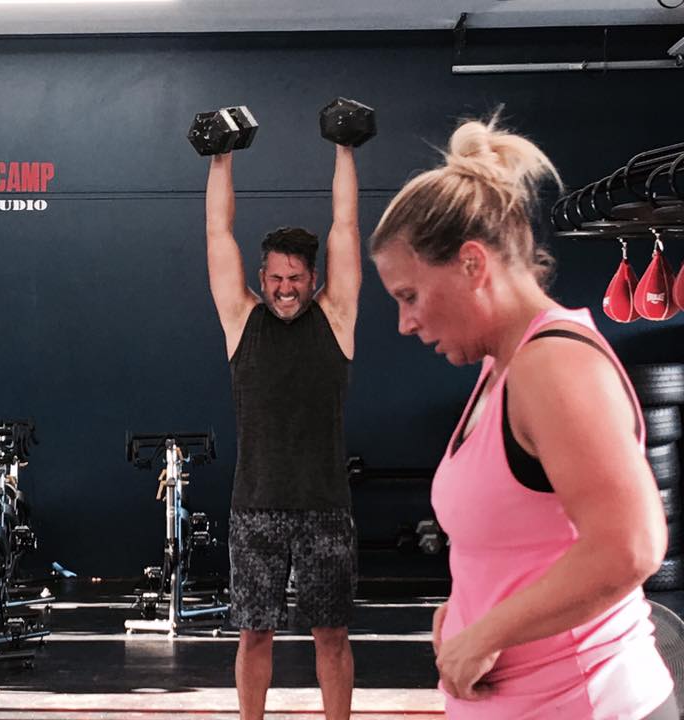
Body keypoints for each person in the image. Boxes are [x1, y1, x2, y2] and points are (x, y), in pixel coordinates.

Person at [369, 116, 676, 719]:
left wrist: (485, 634)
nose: (405, 323)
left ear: (471, 265)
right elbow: (529, 542)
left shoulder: (553, 365)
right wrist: (466, 610)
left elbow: (630, 545)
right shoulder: (501, 367)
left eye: (409, 296)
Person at [205, 140, 363, 720]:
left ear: (312, 277)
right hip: (256, 508)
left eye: (295, 277)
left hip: (325, 507)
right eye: (274, 277)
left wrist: (345, 148)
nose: (284, 288)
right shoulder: (241, 319)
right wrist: (220, 160)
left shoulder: (337, 315)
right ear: (262, 277)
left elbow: (345, 226)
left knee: (332, 636)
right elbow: (219, 238)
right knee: (253, 635)